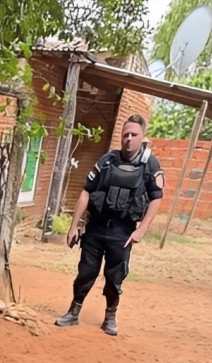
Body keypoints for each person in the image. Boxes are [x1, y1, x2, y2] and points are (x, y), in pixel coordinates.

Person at [54, 115, 164, 336]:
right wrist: (73, 226)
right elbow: (86, 191)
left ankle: (110, 317)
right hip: (96, 227)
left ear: (143, 138)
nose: (129, 139)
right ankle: (73, 312)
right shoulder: (107, 160)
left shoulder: (150, 164)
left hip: (122, 231)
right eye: (126, 135)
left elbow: (157, 197)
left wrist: (142, 229)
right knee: (85, 272)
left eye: (134, 135)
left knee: (115, 277)